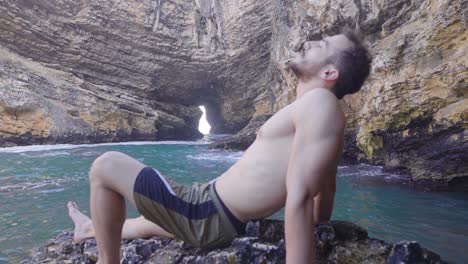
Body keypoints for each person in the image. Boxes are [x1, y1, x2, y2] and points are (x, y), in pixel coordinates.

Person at [68, 31, 371, 264]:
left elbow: (302, 196)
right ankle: (88, 229)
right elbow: (326, 187)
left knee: (105, 166)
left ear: (330, 73)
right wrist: (323, 228)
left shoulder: (320, 103)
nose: (312, 42)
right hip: (217, 214)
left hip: (207, 213)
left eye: (323, 45)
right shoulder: (322, 115)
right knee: (148, 223)